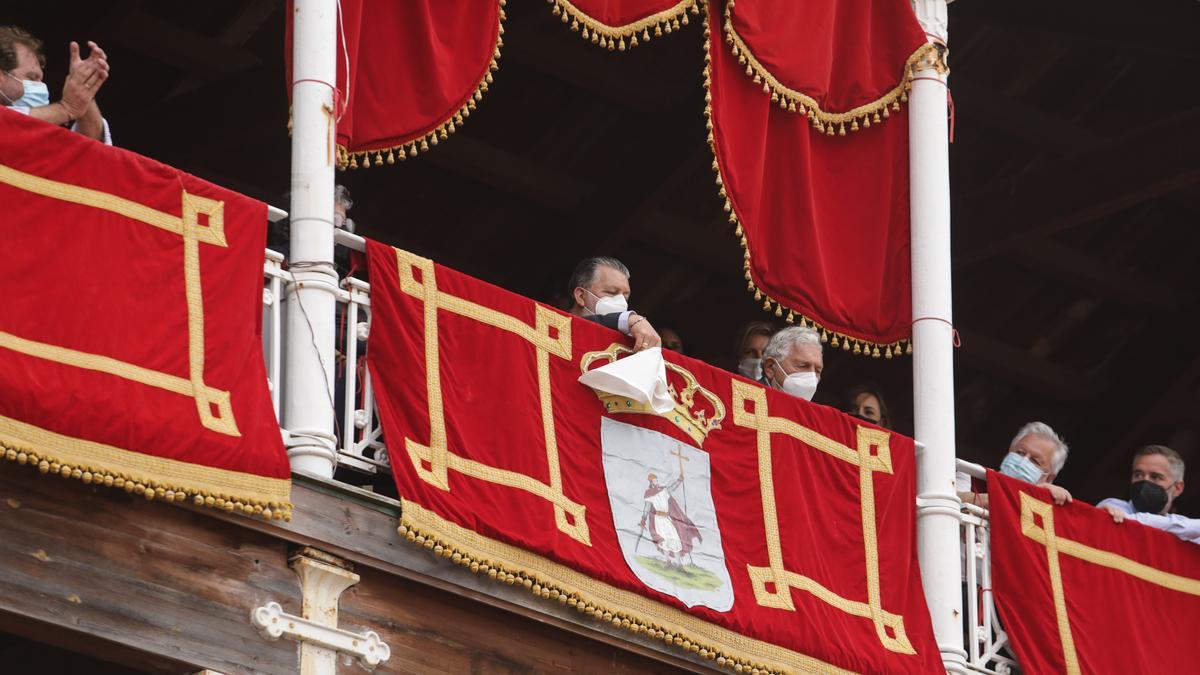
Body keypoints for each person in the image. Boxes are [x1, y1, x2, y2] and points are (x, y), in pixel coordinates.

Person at [0, 26, 111, 144]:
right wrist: (66, 109)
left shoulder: (41, 135)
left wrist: (84, 87)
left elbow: (91, 147)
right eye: (32, 77)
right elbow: (8, 122)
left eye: (40, 80)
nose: (41, 86)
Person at [1097, 445, 1199, 544]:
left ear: (1177, 488)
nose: (1145, 481)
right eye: (1138, 475)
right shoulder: (1113, 506)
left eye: (1155, 477)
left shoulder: (1188, 530)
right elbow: (1128, 525)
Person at [960, 421, 1072, 508]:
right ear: (1009, 451)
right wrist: (1024, 495)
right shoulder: (974, 473)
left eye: (1034, 461)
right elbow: (953, 499)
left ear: (1049, 478)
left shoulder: (1046, 504)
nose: (1023, 461)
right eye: (1020, 453)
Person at [568, 257, 660, 352]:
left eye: (625, 297)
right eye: (611, 293)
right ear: (581, 296)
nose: (621, 302)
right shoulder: (556, 331)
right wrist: (631, 319)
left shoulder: (627, 345)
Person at [761, 326, 823, 401]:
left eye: (817, 371)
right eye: (802, 366)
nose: (811, 377)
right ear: (770, 367)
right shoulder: (749, 401)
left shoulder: (814, 412)